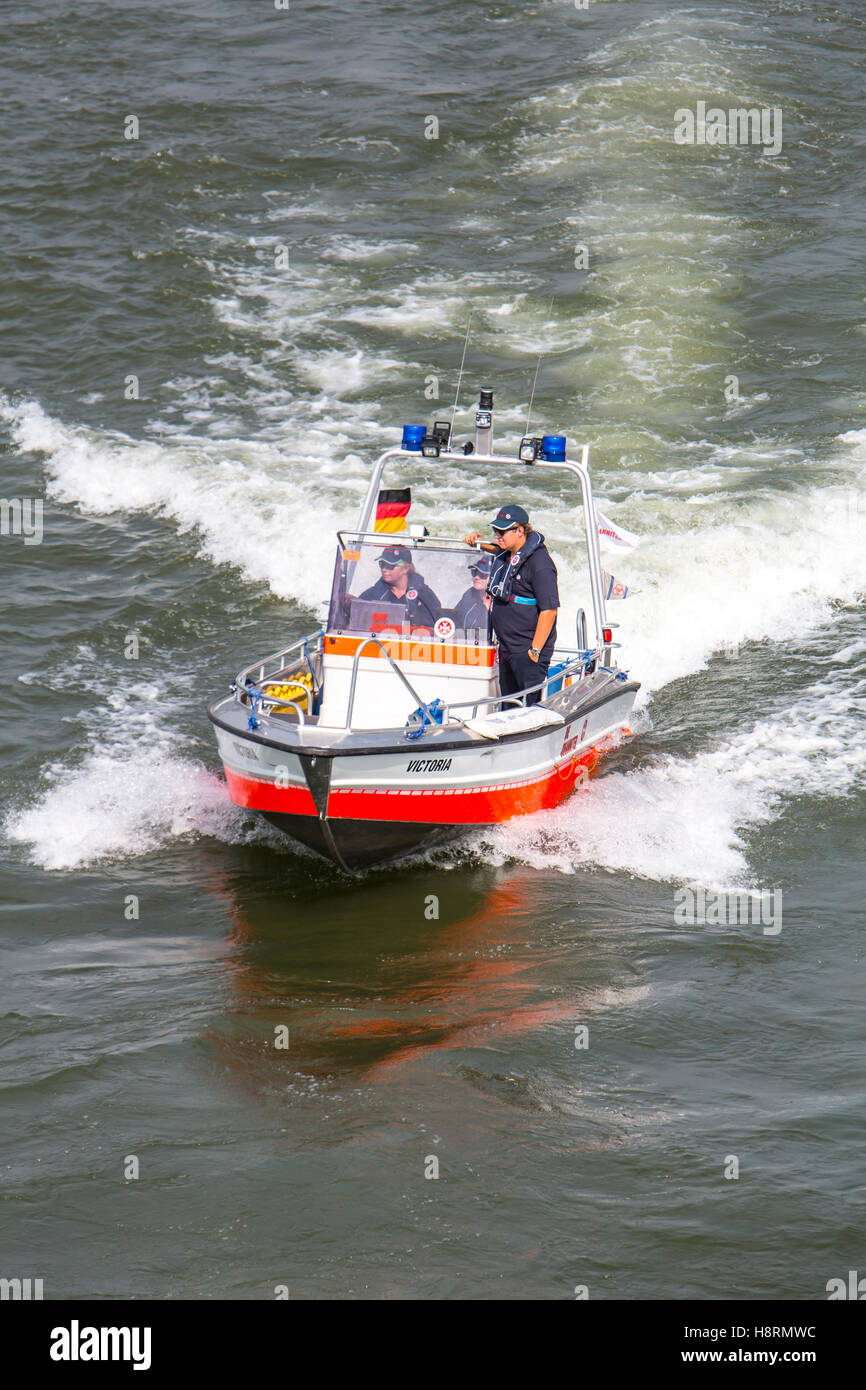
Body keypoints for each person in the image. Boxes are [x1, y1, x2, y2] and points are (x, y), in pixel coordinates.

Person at [463, 503, 559, 705]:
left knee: (528, 707)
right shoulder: (508, 553)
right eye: (496, 530)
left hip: (527, 651)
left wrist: (534, 651)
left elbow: (549, 611)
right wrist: (475, 542)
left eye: (502, 531)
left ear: (520, 531)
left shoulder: (540, 565)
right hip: (506, 647)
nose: (497, 535)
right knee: (508, 704)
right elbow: (494, 548)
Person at [359, 544, 442, 628]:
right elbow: (356, 617)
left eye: (390, 565)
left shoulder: (425, 596)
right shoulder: (372, 595)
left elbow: (438, 626)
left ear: (405, 568)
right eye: (382, 564)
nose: (384, 569)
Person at [452, 554, 492, 633]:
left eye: (483, 575)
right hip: (468, 642)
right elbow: (455, 619)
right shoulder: (469, 595)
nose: (476, 577)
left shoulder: (500, 602)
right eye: (474, 572)